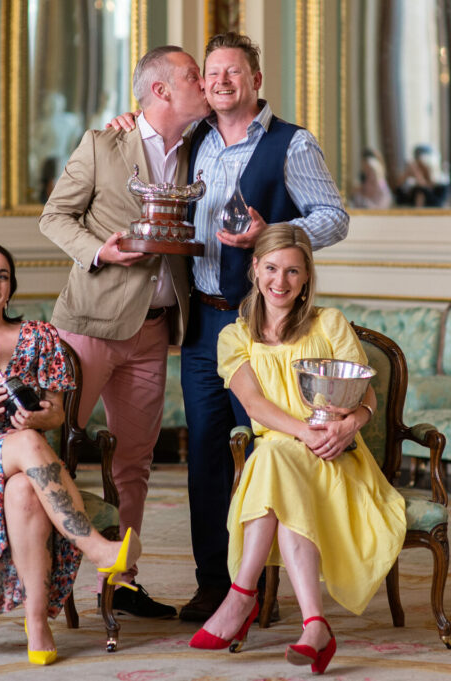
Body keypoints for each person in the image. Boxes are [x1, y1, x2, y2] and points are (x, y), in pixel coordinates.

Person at [177, 32, 350, 621]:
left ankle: (270, 592)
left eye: (233, 72)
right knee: (204, 457)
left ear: (255, 81)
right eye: (212, 73)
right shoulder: (192, 138)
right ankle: (213, 585)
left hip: (267, 327)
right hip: (203, 325)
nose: (221, 81)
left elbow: (334, 217)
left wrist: (271, 233)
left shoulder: (291, 143)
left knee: (273, 452)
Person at [0, 242, 141, 665]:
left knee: (23, 493)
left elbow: (55, 415)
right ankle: (97, 549)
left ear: (11, 288)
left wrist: (37, 419)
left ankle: (37, 623)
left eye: (2, 275)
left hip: (24, 463)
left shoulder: (38, 337)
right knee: (28, 447)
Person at [187, 225, 407, 675]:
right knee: (272, 457)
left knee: (270, 463)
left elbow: (366, 396)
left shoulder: (330, 324)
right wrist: (302, 433)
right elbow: (254, 405)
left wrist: (350, 425)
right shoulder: (235, 336)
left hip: (334, 457)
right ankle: (314, 625)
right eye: (271, 268)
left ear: (307, 276)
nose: (280, 281)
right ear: (254, 268)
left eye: (292, 271)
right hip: (286, 453)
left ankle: (240, 597)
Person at [39, 45, 210, 618]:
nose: (206, 82)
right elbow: (53, 217)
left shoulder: (203, 147)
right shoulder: (102, 143)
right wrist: (99, 252)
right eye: (194, 76)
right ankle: (40, 578)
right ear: (161, 90)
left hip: (156, 331)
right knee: (55, 447)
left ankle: (122, 581)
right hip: (90, 324)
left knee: (133, 462)